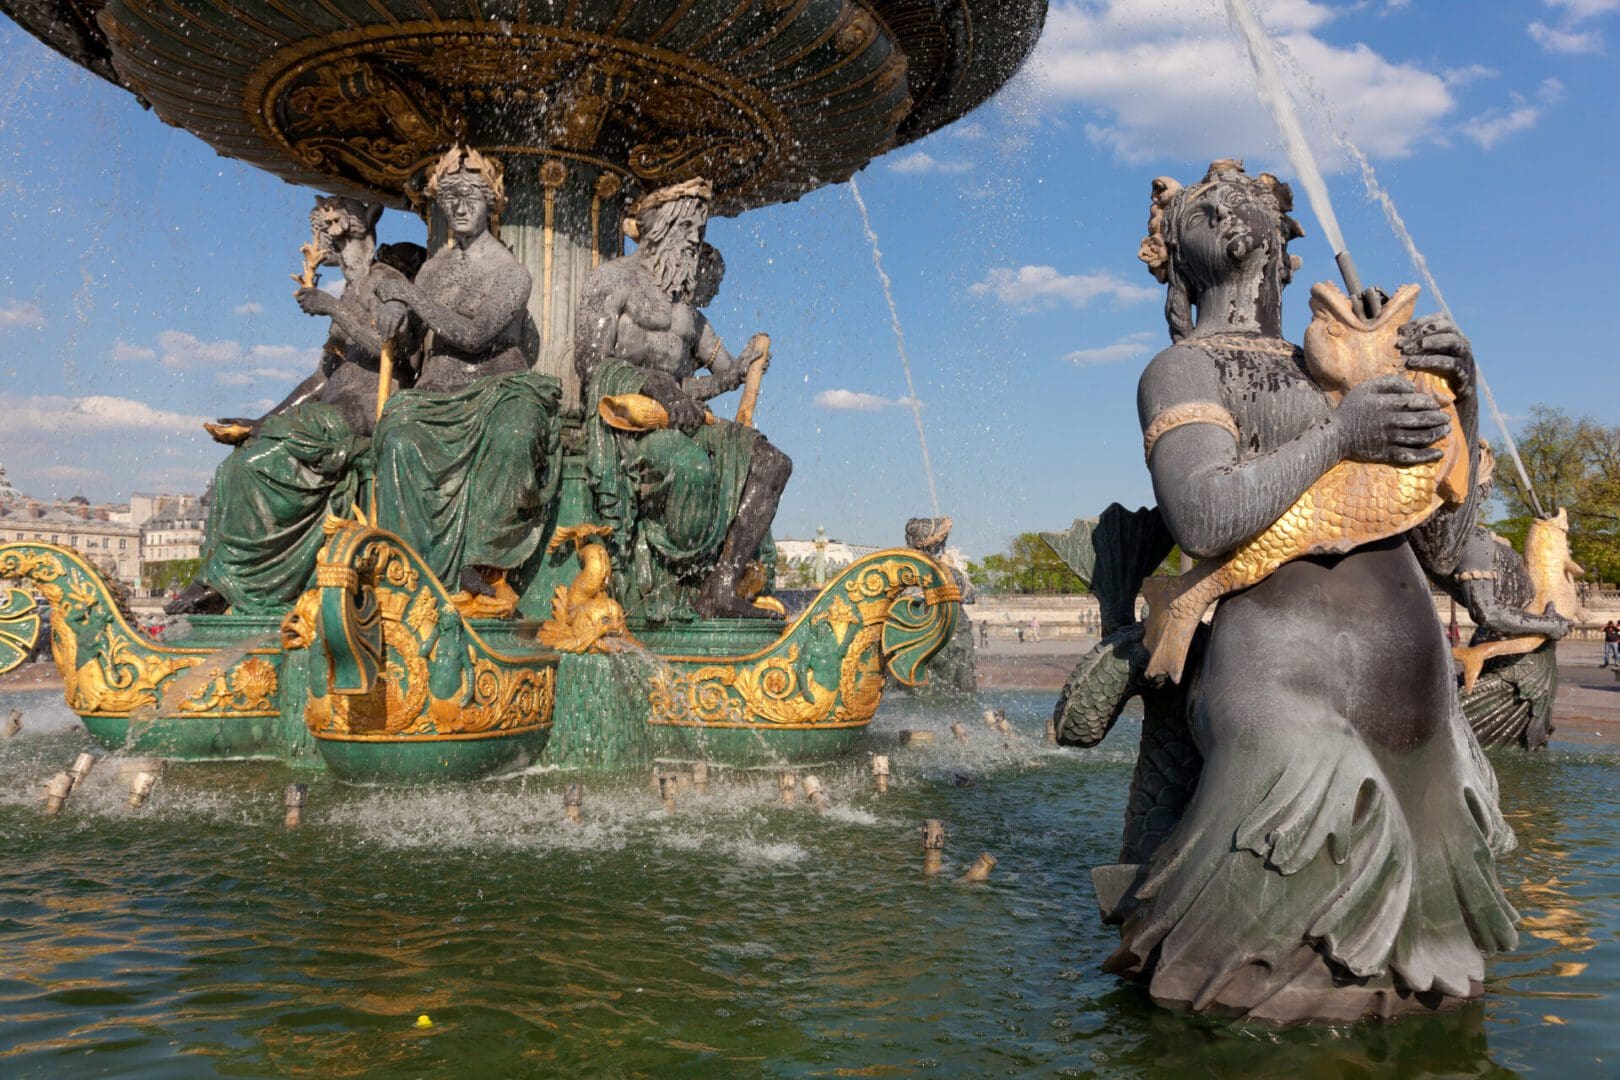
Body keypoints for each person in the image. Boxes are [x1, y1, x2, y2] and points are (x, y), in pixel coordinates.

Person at [1114, 160, 1516, 1022]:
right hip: (1278, 691)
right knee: (1276, 990)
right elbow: (1202, 512)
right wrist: (1342, 434)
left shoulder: (1342, 360)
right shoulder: (1182, 369)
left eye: (1253, 187)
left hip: (1417, 703)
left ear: (1288, 252)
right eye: (1203, 197)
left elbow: (1445, 549)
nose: (1232, 183)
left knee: (1422, 994)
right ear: (1174, 254)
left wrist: (1462, 404)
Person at [167, 197, 424, 615]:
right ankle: (223, 582)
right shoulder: (351, 289)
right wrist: (262, 421)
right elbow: (322, 377)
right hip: (323, 414)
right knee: (236, 464)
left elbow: (394, 348)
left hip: (358, 418)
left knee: (254, 466)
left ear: (359, 235)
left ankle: (234, 581)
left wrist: (332, 307)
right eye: (324, 246)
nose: (325, 254)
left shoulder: (387, 280)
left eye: (333, 245)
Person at [575, 179, 789, 620]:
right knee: (690, 470)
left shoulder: (688, 313)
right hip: (629, 422)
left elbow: (720, 376)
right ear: (657, 228)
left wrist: (745, 365)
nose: (696, 240)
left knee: (772, 464)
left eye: (699, 230)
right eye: (687, 227)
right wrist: (653, 384)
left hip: (682, 418)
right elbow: (591, 363)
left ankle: (721, 587)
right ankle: (665, 584)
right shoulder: (613, 280)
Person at [371, 146, 562, 616]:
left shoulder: (512, 274)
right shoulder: (433, 270)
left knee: (516, 433)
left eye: (471, 196)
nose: (458, 206)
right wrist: (392, 314)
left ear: (491, 204)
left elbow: (476, 336)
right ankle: (408, 570)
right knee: (395, 433)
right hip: (437, 395)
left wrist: (410, 295)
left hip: (500, 390)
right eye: (450, 197)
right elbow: (410, 345)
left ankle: (483, 566)